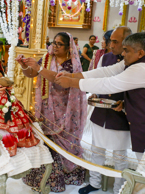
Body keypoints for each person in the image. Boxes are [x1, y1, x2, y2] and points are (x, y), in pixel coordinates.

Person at [55, 31, 145, 176]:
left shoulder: (140, 68)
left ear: (140, 53)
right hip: (135, 122)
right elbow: (106, 71)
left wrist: (72, 82)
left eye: (126, 50)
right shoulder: (131, 61)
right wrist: (71, 76)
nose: (122, 53)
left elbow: (108, 84)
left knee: (138, 168)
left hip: (138, 122)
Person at [16, 32, 87, 192]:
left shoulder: (72, 64)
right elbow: (32, 74)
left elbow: (60, 81)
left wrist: (39, 68)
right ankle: (43, 177)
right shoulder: (48, 58)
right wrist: (24, 66)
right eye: (53, 43)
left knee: (64, 139)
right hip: (47, 107)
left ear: (68, 48)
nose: (54, 46)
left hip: (66, 108)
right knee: (46, 139)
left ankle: (64, 175)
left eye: (59, 44)